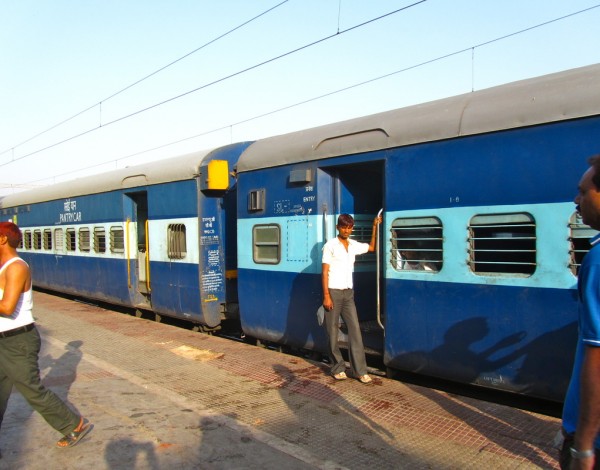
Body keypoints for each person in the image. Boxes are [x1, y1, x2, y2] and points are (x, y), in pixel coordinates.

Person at [0, 221, 91, 450]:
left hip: (17, 339)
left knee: (31, 389)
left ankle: (73, 424)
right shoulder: (3, 267)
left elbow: (8, 307)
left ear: (3, 239)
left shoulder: (16, 267)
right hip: (4, 340)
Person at [561, 156, 600, 469]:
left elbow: (597, 357)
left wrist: (583, 447)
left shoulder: (598, 261)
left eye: (584, 191)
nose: (578, 199)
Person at [322, 213, 381, 384]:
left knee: (355, 329)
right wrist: (326, 296)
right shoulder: (330, 246)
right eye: (344, 227)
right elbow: (325, 271)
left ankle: (359, 371)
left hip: (348, 293)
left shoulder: (353, 245)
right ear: (337, 227)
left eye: (349, 227)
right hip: (333, 291)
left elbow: (371, 248)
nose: (346, 230)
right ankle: (337, 367)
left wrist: (374, 226)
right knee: (332, 331)